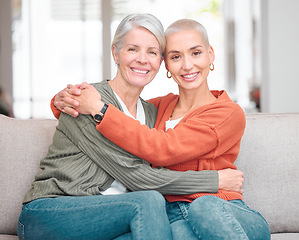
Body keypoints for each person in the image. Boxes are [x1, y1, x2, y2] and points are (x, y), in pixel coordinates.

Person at [18, 14, 243, 240]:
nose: (143, 60)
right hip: (53, 211)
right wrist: (213, 180)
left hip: (114, 217)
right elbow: (138, 176)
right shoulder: (89, 102)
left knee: (177, 232)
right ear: (116, 53)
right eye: (133, 49)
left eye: (152, 52)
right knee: (149, 200)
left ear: (160, 62)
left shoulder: (154, 113)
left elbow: (163, 147)